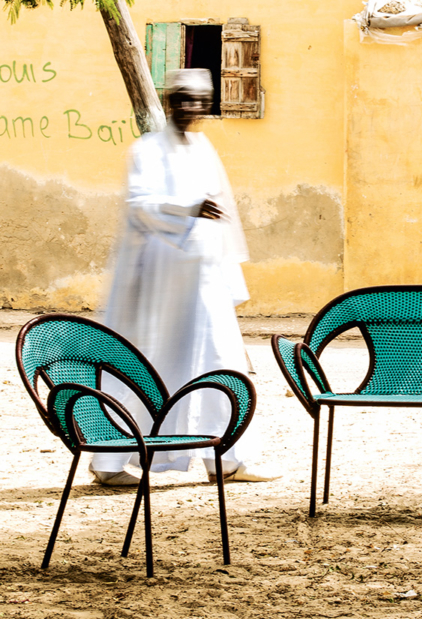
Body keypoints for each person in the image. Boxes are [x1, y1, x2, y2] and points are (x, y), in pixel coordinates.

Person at [90, 69, 279, 486]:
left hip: (203, 281)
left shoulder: (203, 147)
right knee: (146, 366)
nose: (189, 107)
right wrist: (187, 208)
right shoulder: (146, 150)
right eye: (181, 99)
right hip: (158, 285)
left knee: (219, 362)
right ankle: (108, 462)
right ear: (169, 100)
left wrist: (227, 273)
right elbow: (140, 206)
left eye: (197, 100)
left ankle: (226, 457)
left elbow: (221, 212)